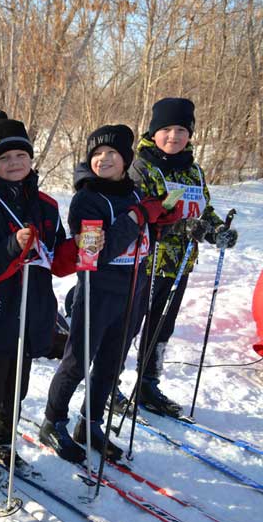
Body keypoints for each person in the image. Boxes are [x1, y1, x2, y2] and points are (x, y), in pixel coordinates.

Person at [39, 125, 181, 462]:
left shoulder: (134, 194)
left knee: (111, 363)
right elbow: (96, 254)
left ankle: (90, 423)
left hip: (134, 288)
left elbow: (142, 234)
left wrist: (161, 220)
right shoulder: (87, 199)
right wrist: (139, 217)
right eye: (97, 154)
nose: (103, 159)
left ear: (126, 159)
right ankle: (53, 421)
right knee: (78, 360)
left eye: (112, 154)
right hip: (99, 290)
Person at [0, 111, 79, 485]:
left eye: (20, 156)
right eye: (4, 158)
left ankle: (0, 439)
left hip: (34, 308)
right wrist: (12, 246)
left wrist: (81, 249)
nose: (14, 164)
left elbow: (56, 260)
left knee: (17, 385)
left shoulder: (47, 205)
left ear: (31, 159)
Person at [128, 97, 238, 417]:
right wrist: (183, 224)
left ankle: (148, 382)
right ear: (153, 131)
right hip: (147, 260)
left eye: (181, 130)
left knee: (162, 327)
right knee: (130, 326)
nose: (174, 136)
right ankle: (107, 382)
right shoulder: (142, 168)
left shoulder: (193, 171)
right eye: (166, 129)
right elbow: (136, 214)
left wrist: (217, 231)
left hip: (180, 264)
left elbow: (204, 210)